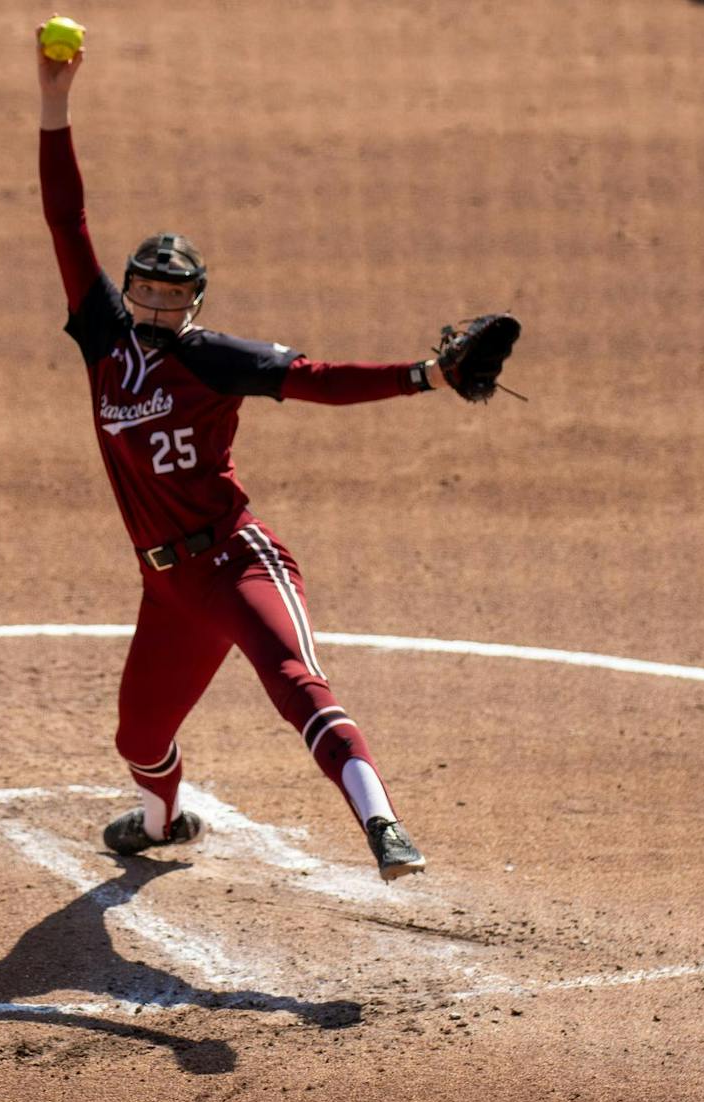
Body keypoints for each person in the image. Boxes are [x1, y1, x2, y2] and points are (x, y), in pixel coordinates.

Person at [35, 25, 518, 881]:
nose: (151, 303)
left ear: (193, 300)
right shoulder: (102, 340)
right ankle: (160, 826)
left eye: (170, 293)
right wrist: (55, 100)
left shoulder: (213, 356)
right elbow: (66, 218)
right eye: (142, 288)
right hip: (168, 584)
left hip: (234, 558)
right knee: (138, 737)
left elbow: (321, 379)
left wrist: (424, 376)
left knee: (295, 679)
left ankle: (383, 825)